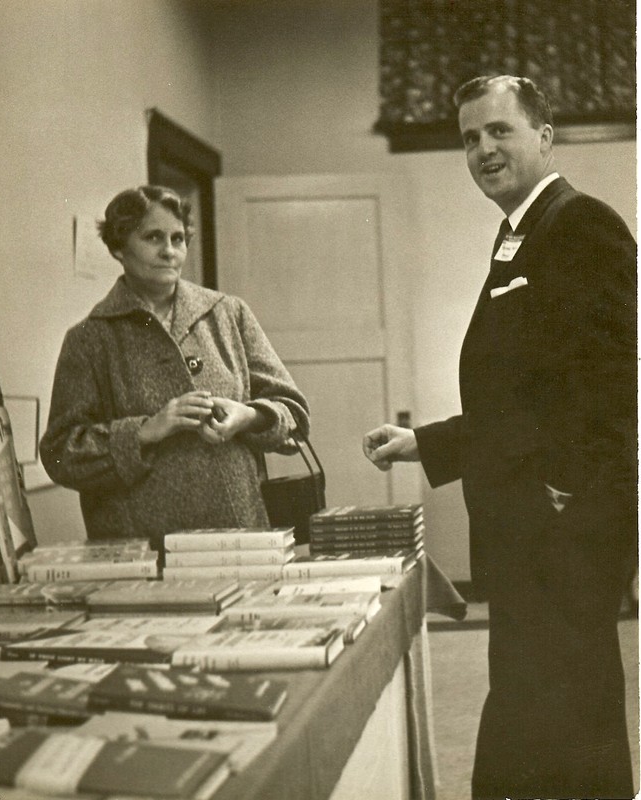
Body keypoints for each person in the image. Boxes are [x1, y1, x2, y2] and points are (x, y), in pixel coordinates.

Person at [363, 75, 636, 800]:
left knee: (569, 712)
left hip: (561, 529)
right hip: (528, 523)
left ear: (543, 136)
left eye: (499, 131)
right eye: (468, 138)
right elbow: (529, 394)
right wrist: (424, 441)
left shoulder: (579, 224)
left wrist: (567, 491)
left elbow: (612, 377)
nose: (482, 149)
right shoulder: (518, 229)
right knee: (532, 704)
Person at [40, 185, 309, 551]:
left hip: (239, 536)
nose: (169, 251)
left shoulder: (228, 314)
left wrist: (247, 416)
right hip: (143, 547)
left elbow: (293, 412)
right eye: (153, 237)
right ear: (119, 247)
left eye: (178, 238)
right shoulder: (90, 339)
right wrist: (146, 431)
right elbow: (60, 454)